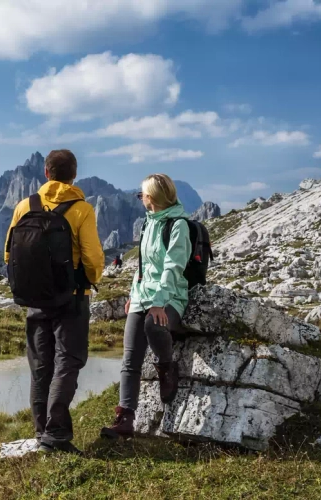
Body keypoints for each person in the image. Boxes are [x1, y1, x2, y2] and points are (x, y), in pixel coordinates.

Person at [4, 149, 104, 454]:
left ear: (46, 173)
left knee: (40, 365)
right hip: (71, 298)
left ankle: (40, 431)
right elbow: (92, 257)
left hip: (35, 299)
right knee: (68, 361)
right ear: (74, 175)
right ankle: (56, 435)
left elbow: (10, 252)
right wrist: (92, 279)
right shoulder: (81, 209)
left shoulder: (24, 206)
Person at [100, 173, 190, 440]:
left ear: (150, 197)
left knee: (154, 325)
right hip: (142, 296)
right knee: (130, 359)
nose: (140, 199)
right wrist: (133, 295)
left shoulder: (178, 225)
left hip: (171, 295)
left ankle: (166, 367)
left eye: (141, 195)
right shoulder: (148, 224)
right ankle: (125, 418)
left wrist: (159, 302)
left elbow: (173, 267)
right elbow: (142, 267)